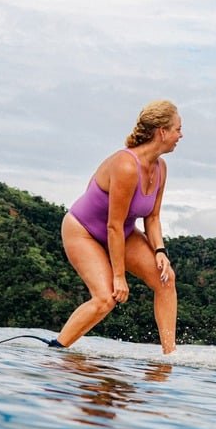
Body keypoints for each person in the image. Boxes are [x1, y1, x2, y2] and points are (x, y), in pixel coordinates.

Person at [52, 100, 182, 354]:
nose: (181, 135)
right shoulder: (125, 165)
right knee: (105, 298)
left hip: (123, 232)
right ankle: (56, 348)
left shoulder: (160, 168)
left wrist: (160, 252)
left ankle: (170, 356)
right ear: (162, 132)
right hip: (84, 231)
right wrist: (119, 277)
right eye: (178, 128)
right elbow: (112, 225)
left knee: (166, 280)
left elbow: (152, 218)